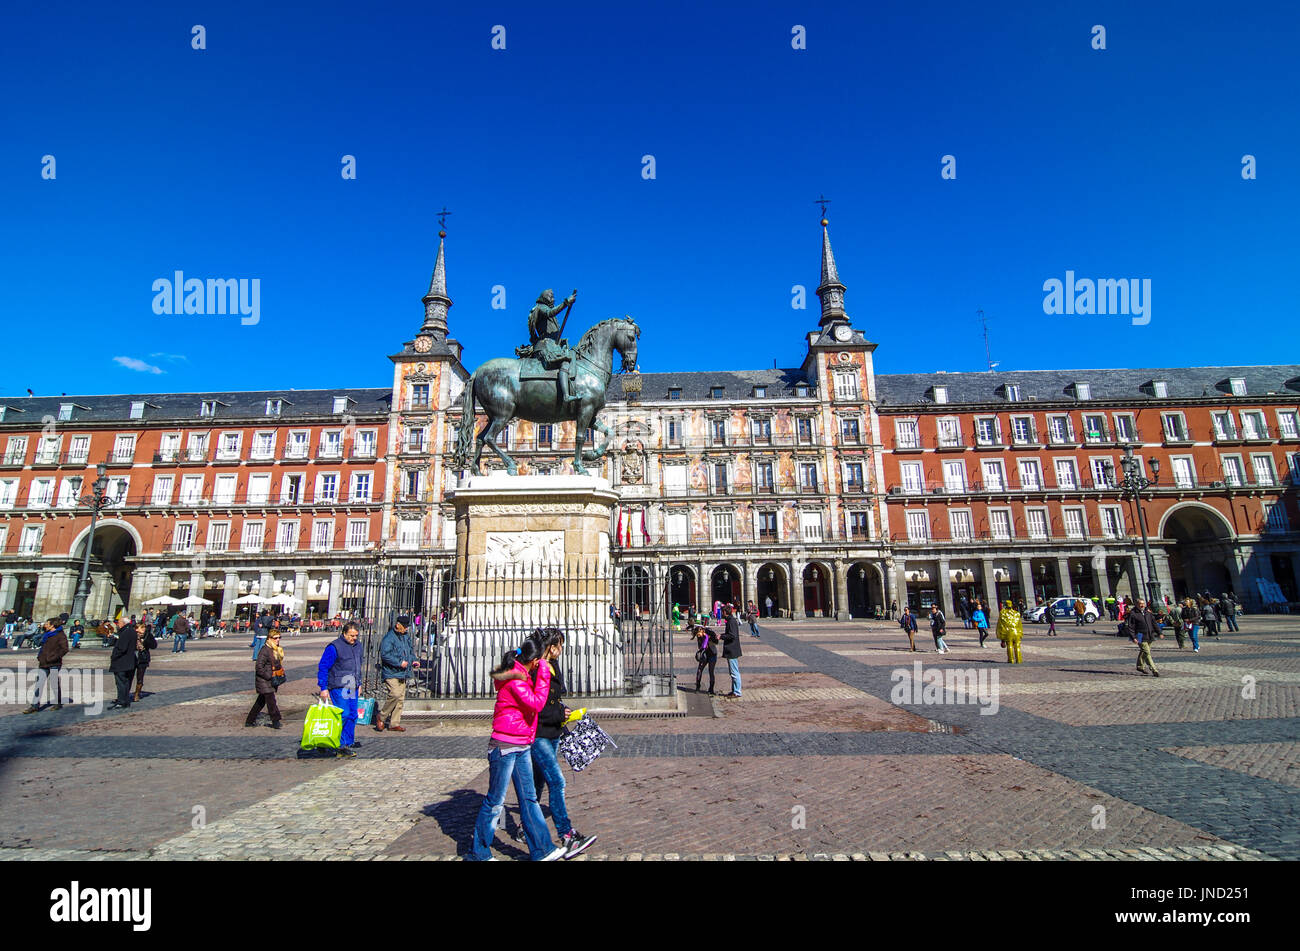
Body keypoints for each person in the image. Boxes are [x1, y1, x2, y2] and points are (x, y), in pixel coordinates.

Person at [469, 638, 566, 861]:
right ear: (533, 661)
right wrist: (543, 671)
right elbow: (536, 703)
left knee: (529, 799)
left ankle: (542, 850)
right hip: (505, 747)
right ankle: (479, 853)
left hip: (521, 743)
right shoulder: (515, 679)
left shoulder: (520, 675)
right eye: (538, 661)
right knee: (495, 801)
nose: (540, 664)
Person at [529, 629, 597, 859]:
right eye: (559, 645)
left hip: (552, 732)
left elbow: (553, 699)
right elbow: (538, 705)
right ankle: (567, 836)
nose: (562, 649)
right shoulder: (538, 669)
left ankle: (523, 828)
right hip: (538, 734)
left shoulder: (552, 667)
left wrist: (564, 711)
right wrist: (559, 712)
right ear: (550, 647)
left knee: (538, 784)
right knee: (556, 781)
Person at [317, 621, 365, 755]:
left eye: (356, 636)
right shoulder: (334, 647)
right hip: (339, 684)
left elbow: (357, 667)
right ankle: (335, 742)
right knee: (343, 714)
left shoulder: (358, 646)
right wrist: (323, 687)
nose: (354, 638)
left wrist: (359, 683)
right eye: (351, 635)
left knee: (352, 715)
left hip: (352, 684)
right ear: (344, 633)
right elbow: (324, 667)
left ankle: (347, 741)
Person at [376, 615, 419, 732]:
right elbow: (385, 655)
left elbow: (410, 651)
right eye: (404, 627)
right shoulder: (389, 638)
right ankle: (382, 716)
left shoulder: (406, 637)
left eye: (407, 627)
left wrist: (414, 660)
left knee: (400, 699)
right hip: (391, 671)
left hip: (403, 672)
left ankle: (394, 723)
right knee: (394, 694)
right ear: (398, 625)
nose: (406, 629)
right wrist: (399, 662)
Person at [24, 618, 69, 713]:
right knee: (39, 684)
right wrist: (40, 657)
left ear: (52, 625)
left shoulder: (60, 635)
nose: (45, 625)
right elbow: (42, 646)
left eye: (47, 624)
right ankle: (34, 706)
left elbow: (64, 649)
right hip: (43, 662)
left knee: (53, 684)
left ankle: (58, 702)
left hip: (54, 663)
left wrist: (53, 657)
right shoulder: (47, 635)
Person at [246, 629, 285, 729]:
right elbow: (259, 667)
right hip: (264, 680)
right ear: (269, 638)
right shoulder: (265, 650)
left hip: (270, 680)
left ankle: (249, 721)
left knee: (260, 701)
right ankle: (276, 721)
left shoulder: (275, 649)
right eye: (275, 638)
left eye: (279, 637)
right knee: (271, 701)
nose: (278, 640)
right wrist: (268, 675)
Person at [109, 618, 139, 709]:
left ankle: (121, 701)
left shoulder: (126, 632)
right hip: (129, 661)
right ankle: (125, 700)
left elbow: (122, 647)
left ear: (122, 623)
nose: (117, 624)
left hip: (122, 661)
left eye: (118, 623)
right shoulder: (132, 631)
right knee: (126, 682)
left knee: (121, 682)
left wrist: (114, 656)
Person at [1127, 598, 1161, 677]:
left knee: (1144, 651)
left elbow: (1154, 623)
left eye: (1143, 603)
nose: (1142, 605)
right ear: (1137, 605)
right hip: (1140, 635)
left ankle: (1140, 666)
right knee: (1147, 652)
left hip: (1149, 635)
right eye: (1140, 604)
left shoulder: (1148, 613)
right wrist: (1133, 637)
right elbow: (1131, 627)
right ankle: (1154, 669)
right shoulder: (1133, 614)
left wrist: (1159, 632)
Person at [720, 605, 742, 698]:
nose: (721, 613)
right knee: (733, 671)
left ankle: (737, 691)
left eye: (722, 612)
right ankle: (734, 690)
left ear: (725, 612)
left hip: (732, 649)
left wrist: (722, 636)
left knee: (734, 672)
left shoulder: (731, 621)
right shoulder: (730, 620)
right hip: (731, 649)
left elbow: (732, 635)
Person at [133, 621, 158, 700]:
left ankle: (137, 694)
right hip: (132, 657)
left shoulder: (148, 635)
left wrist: (146, 641)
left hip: (143, 658)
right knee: (128, 677)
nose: (143, 629)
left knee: (140, 677)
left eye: (143, 627)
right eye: (141, 627)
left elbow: (154, 646)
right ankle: (124, 693)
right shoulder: (132, 635)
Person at [692, 622, 717, 694]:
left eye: (698, 633)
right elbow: (700, 647)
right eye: (697, 635)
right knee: (699, 670)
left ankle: (711, 689)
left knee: (711, 672)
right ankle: (697, 686)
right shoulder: (699, 637)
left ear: (701, 630)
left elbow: (716, 641)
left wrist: (708, 638)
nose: (698, 635)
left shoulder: (709, 634)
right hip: (704, 655)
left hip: (712, 654)